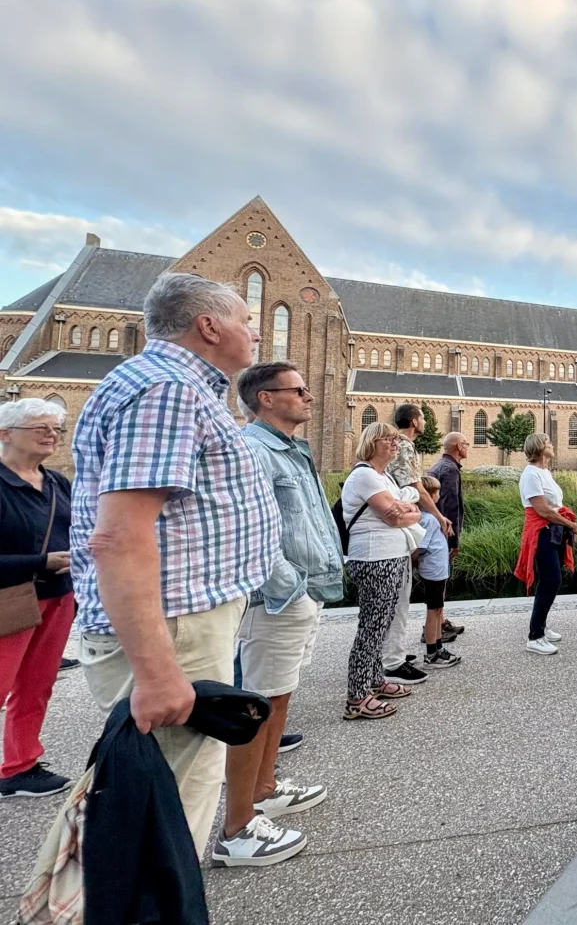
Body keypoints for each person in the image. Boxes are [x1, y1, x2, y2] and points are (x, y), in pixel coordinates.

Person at [70, 273, 280, 857]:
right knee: (168, 811)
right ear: (208, 326)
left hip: (183, 618)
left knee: (165, 802)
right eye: (244, 318)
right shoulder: (168, 389)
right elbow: (121, 536)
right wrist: (159, 673)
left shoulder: (169, 384)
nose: (256, 330)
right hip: (176, 625)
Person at [215, 361, 338, 867]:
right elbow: (250, 532)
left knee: (278, 697)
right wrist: (290, 586)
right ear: (266, 398)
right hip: (277, 597)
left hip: (300, 592)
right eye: (299, 389)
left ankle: (264, 788)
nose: (309, 396)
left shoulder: (291, 449)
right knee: (256, 703)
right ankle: (237, 828)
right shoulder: (252, 450)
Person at [0, 399, 75, 799]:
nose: (51, 434)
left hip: (58, 598)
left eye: (56, 428)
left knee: (36, 685)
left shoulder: (58, 482)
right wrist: (40, 561)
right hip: (9, 600)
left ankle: (20, 766)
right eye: (39, 428)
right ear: (5, 434)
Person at [341, 422, 423, 718]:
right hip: (376, 558)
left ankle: (375, 680)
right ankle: (357, 697)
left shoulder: (383, 476)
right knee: (371, 627)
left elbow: (411, 512)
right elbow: (392, 516)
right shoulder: (364, 475)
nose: (394, 444)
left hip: (394, 555)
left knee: (383, 624)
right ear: (371, 442)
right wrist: (406, 512)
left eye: (395, 440)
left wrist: (408, 511)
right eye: (388, 439)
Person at [383, 404, 450, 686]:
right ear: (414, 421)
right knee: (398, 596)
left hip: (400, 515)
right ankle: (392, 662)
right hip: (404, 517)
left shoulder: (397, 444)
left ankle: (392, 655)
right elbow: (417, 486)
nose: (424, 421)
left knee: (397, 595)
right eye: (422, 417)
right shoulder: (405, 445)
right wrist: (438, 515)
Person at [515, 433, 577, 656]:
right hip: (541, 531)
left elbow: (554, 503)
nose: (552, 445)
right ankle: (535, 636)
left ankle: (541, 625)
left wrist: (567, 523)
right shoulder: (531, 474)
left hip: (553, 531)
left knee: (549, 580)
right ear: (540, 448)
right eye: (548, 442)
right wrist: (570, 524)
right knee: (551, 579)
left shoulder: (544, 472)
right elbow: (541, 510)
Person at [425, 432, 470, 651]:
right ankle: (435, 630)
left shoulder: (441, 465)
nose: (467, 447)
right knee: (439, 583)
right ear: (457, 447)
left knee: (438, 583)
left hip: (436, 532)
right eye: (465, 444)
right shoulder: (451, 470)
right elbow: (451, 505)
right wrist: (454, 541)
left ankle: (440, 622)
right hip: (442, 535)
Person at [415, 476, 461, 668]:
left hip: (438, 571)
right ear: (428, 496)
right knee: (433, 611)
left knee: (438, 609)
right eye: (436, 492)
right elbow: (420, 548)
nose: (439, 495)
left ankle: (439, 647)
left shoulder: (433, 519)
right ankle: (432, 653)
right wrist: (413, 562)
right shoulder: (428, 521)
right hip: (433, 572)